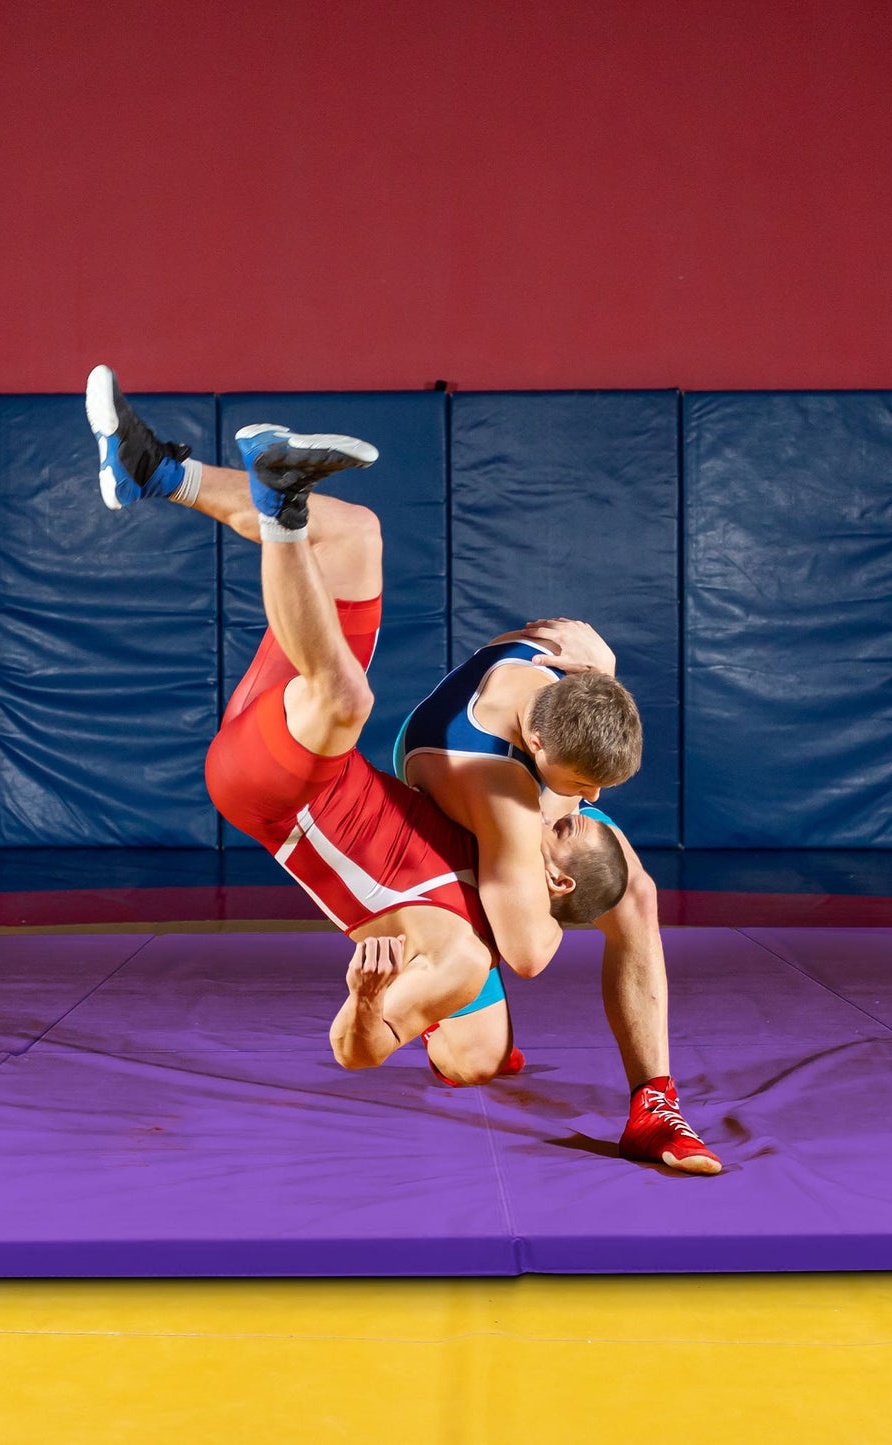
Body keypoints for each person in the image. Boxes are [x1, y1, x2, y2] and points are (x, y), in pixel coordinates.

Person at [84, 366, 628, 1084]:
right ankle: (154, 471)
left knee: (348, 697)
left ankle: (279, 505)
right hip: (297, 739)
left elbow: (359, 1049)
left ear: (554, 882)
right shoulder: (493, 857)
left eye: (570, 821)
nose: (569, 804)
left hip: (276, 791)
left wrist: (368, 1001)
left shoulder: (471, 944)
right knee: (353, 536)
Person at [396, 620, 723, 1174]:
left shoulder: (565, 658)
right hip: (440, 835)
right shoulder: (500, 788)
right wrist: (552, 895)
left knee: (636, 892)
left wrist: (608, 675)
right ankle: (435, 1001)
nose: (592, 798)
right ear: (539, 741)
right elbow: (527, 957)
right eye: (581, 785)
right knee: (477, 1062)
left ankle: (654, 1105)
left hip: (527, 789)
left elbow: (582, 743)